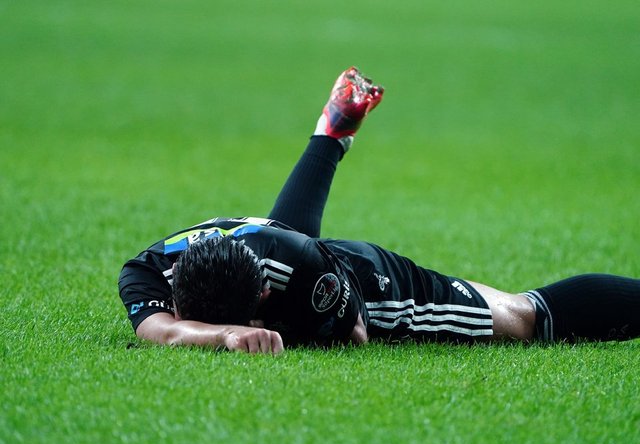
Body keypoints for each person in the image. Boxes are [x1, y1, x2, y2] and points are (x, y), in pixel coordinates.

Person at [118, 67, 640, 355]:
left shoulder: (301, 269)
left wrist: (274, 328)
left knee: (524, 319)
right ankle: (330, 133)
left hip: (367, 282)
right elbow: (162, 330)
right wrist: (227, 333)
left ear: (262, 294)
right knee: (291, 245)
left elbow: (356, 335)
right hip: (285, 249)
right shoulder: (148, 269)